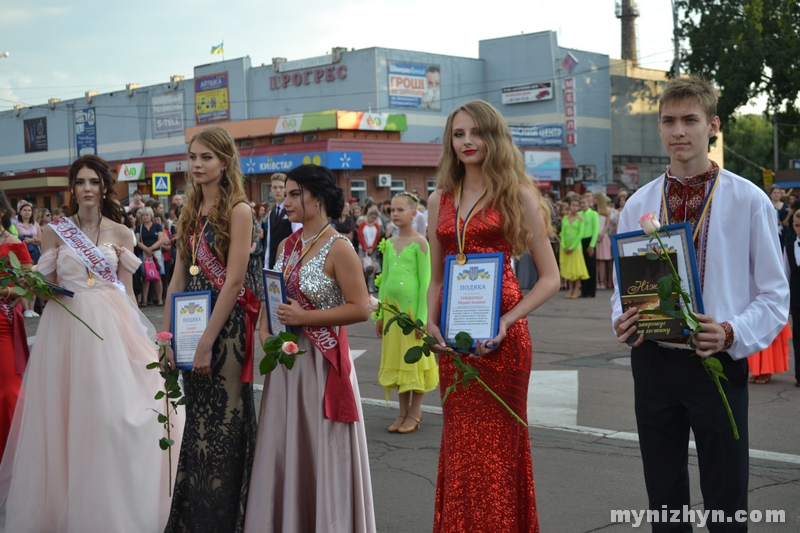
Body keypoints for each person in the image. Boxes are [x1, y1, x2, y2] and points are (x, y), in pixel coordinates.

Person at [611, 76, 789, 531]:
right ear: (659, 127)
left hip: (717, 358)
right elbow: (622, 285)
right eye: (668, 121)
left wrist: (730, 331)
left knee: (726, 496)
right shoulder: (639, 203)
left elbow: (775, 295)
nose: (678, 131)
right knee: (664, 496)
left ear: (713, 126)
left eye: (690, 120)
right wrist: (624, 318)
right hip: (653, 362)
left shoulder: (748, 199)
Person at [0, 154, 182, 532]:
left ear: (103, 187)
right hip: (65, 331)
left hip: (111, 331)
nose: (86, 189)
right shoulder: (55, 232)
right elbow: (45, 293)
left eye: (94, 182)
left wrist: (149, 340)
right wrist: (25, 288)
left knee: (113, 417)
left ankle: (111, 507)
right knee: (67, 419)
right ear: (72, 188)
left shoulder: (121, 233)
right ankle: (66, 510)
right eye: (80, 182)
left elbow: (129, 295)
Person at [426, 100, 560, 532]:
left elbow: (551, 278)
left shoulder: (516, 193)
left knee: (500, 449)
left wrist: (507, 322)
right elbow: (434, 280)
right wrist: (430, 321)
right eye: (458, 133)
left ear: (493, 136)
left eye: (476, 132)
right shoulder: (438, 200)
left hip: (503, 341)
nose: (467, 141)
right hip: (453, 340)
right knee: (462, 447)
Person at [246, 164, 375, 532]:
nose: (284, 202)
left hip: (322, 364)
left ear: (317, 197)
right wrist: (266, 328)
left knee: (320, 449)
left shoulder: (340, 247)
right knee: (287, 449)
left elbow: (361, 308)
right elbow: (277, 297)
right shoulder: (289, 243)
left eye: (293, 194)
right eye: (284, 194)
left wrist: (305, 319)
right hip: (288, 363)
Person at [161, 126, 258, 532]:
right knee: (197, 431)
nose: (197, 165)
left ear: (225, 161)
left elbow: (234, 282)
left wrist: (205, 344)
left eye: (207, 157)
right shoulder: (189, 210)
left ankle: (223, 522)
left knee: (224, 431)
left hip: (225, 332)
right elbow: (177, 281)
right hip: (190, 330)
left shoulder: (239, 209)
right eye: (193, 157)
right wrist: (167, 339)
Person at [372, 192, 438, 434]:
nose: (395, 214)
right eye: (392, 210)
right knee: (397, 360)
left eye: (400, 210)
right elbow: (385, 279)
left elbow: (426, 283)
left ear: (413, 213)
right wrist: (380, 314)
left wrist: (421, 320)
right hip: (392, 314)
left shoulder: (421, 242)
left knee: (414, 361)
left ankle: (415, 411)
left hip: (412, 315)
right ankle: (402, 412)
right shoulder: (389, 243)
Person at [0, 191, 31, 458]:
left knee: (9, 389)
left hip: (3, 323)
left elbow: (29, 289)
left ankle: (19, 455)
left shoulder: (14, 245)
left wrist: (6, 293)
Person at [265, 173, 302, 270]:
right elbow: (269, 242)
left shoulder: (292, 210)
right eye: (275, 187)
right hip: (273, 262)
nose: (278, 190)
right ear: (271, 189)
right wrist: (266, 266)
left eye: (281, 187)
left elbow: (296, 237)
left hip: (288, 262)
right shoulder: (271, 213)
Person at [13, 200, 41, 317]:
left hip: (34, 252)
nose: (27, 213)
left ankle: (32, 308)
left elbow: (41, 239)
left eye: (29, 210)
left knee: (33, 279)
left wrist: (32, 240)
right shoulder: (15, 224)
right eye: (25, 210)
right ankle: (25, 308)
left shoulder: (36, 224)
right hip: (22, 253)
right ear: (20, 212)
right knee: (23, 280)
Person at [560, 197, 589, 299]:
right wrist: (563, 245)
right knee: (569, 268)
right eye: (573, 205)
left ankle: (576, 289)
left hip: (576, 247)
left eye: (577, 205)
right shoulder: (565, 218)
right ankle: (570, 289)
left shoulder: (580, 219)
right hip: (565, 247)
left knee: (576, 269)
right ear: (569, 206)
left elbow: (580, 235)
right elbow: (562, 233)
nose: (575, 207)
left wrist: (572, 247)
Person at [135, 206, 164, 307]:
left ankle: (159, 299)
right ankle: (144, 300)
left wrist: (151, 248)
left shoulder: (157, 226)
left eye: (147, 215)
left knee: (157, 276)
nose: (145, 217)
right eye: (143, 215)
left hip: (156, 253)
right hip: (144, 253)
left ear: (151, 216)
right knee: (145, 276)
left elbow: (160, 239)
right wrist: (146, 249)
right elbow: (137, 241)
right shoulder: (139, 228)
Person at [578, 193, 599, 297]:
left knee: (591, 266)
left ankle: (591, 291)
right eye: (580, 203)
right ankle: (584, 291)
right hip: (581, 241)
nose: (582, 205)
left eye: (584, 203)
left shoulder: (593, 214)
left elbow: (596, 230)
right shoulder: (579, 214)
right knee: (583, 267)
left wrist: (592, 245)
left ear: (588, 203)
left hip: (590, 240)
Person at [357, 208, 382, 293]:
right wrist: (365, 248)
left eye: (375, 218)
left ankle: (371, 285)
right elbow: (360, 236)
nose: (373, 220)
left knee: (372, 268)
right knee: (362, 267)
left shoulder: (377, 226)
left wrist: (372, 248)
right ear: (368, 216)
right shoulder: (362, 224)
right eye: (372, 218)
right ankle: (362, 286)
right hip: (363, 249)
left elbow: (377, 238)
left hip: (373, 249)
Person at [594, 192, 613, 289]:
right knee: (597, 260)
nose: (594, 201)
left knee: (603, 260)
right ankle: (597, 280)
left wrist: (601, 234)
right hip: (595, 236)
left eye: (595, 199)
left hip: (603, 236)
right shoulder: (593, 210)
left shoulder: (607, 210)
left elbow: (607, 224)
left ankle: (603, 281)